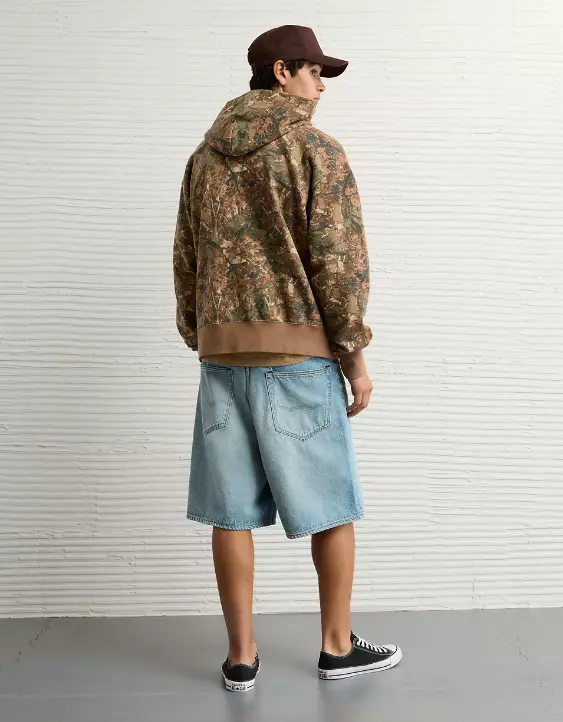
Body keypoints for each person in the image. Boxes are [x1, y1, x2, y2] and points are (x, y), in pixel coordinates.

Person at [173, 24, 402, 692]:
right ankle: (336, 647)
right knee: (331, 505)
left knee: (229, 511)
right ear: (281, 72)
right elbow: (339, 261)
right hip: (298, 359)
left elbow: (185, 254)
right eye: (314, 72)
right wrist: (353, 357)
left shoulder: (203, 158)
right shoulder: (314, 150)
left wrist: (200, 334)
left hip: (222, 358)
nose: (321, 86)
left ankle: (240, 658)